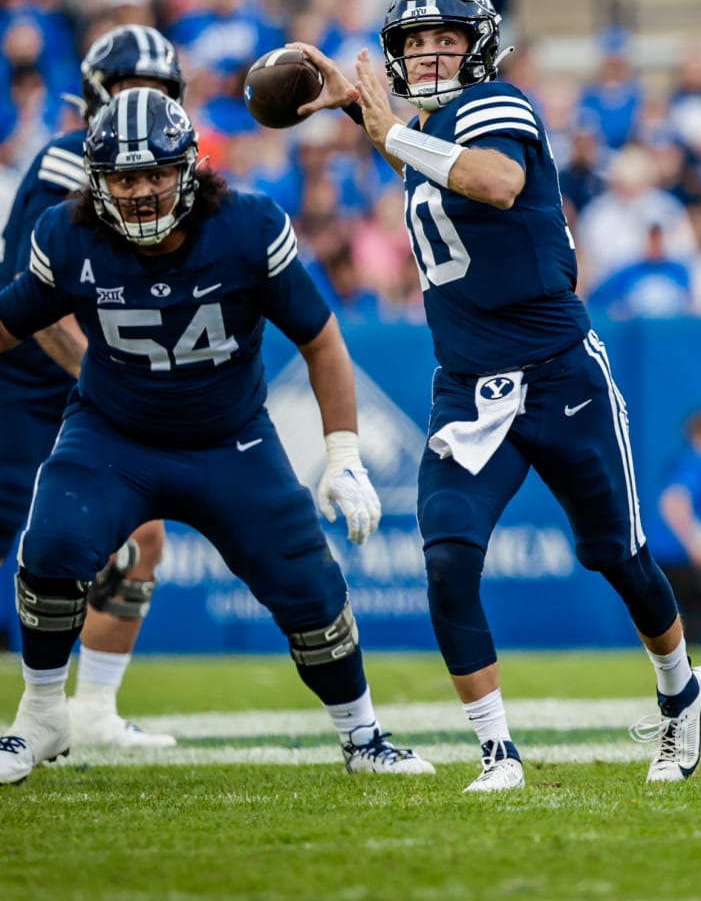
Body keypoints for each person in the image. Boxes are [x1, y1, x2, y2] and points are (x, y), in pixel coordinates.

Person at [290, 0, 701, 792]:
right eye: (416, 43)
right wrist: (353, 104)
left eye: (446, 38)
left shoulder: (497, 107)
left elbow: (494, 180)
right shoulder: (423, 129)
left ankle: (680, 694)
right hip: (468, 386)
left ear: (478, 45)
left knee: (621, 555)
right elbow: (426, 156)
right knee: (448, 558)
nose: (431, 53)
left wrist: (386, 131)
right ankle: (497, 750)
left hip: (562, 377)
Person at [0, 87, 434, 784]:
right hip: (113, 437)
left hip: (229, 442)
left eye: (155, 174)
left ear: (190, 169)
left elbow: (321, 340)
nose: (141, 192)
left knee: (309, 587)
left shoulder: (246, 226)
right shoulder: (67, 233)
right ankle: (43, 715)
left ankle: (363, 736)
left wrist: (345, 454)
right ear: (97, 181)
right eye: (123, 177)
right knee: (50, 545)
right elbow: (14, 317)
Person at [0, 24, 187, 750]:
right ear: (95, 97)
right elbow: (28, 301)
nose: (143, 109)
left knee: (144, 532)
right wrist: (108, 378)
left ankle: (94, 711)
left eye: (158, 94)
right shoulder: (65, 163)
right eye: (130, 92)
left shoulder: (170, 181)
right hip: (26, 383)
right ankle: (48, 706)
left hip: (90, 383)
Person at [643, 407, 701, 646]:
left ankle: (676, 662)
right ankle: (676, 664)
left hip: (669, 553)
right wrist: (695, 544)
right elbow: (673, 502)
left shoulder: (696, 461)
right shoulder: (698, 462)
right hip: (674, 554)